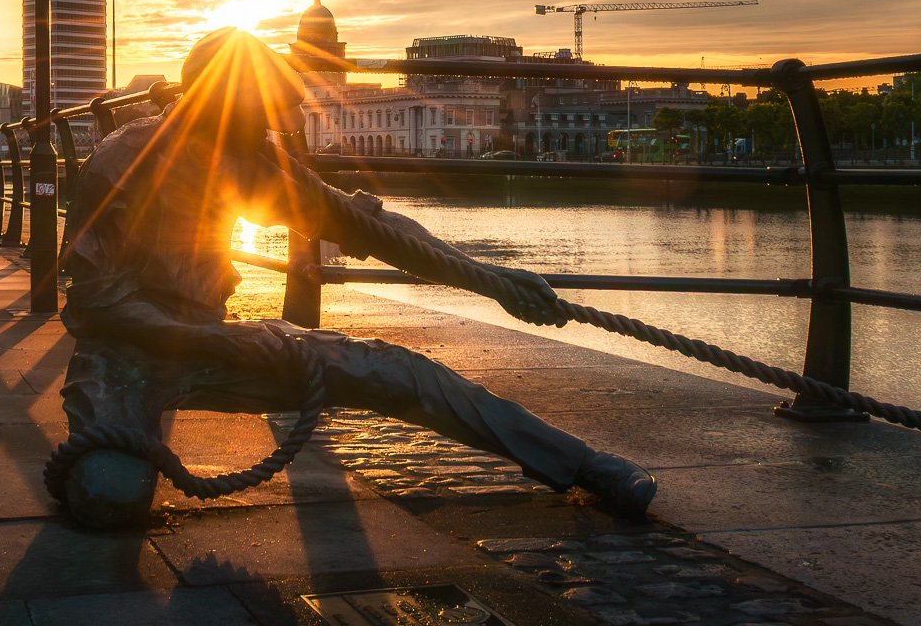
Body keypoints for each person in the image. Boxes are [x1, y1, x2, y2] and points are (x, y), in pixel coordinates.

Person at [52, 27, 655, 529]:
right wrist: (222, 339)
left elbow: (374, 229)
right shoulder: (122, 160)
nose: (277, 124)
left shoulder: (249, 162)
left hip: (212, 342)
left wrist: (493, 279)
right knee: (109, 498)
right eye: (264, 109)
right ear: (220, 101)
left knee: (402, 373)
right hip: (123, 355)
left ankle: (582, 465)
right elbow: (92, 310)